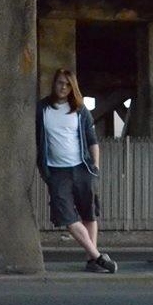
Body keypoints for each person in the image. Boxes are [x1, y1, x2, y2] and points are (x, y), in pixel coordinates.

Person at [36, 68, 118, 273]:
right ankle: (98, 257)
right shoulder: (42, 109)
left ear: (73, 87)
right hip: (56, 172)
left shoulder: (80, 110)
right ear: (54, 84)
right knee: (67, 217)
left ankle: (92, 260)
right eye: (60, 83)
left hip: (82, 168)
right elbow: (37, 138)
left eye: (67, 84)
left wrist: (95, 167)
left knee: (89, 214)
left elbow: (92, 141)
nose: (63, 87)